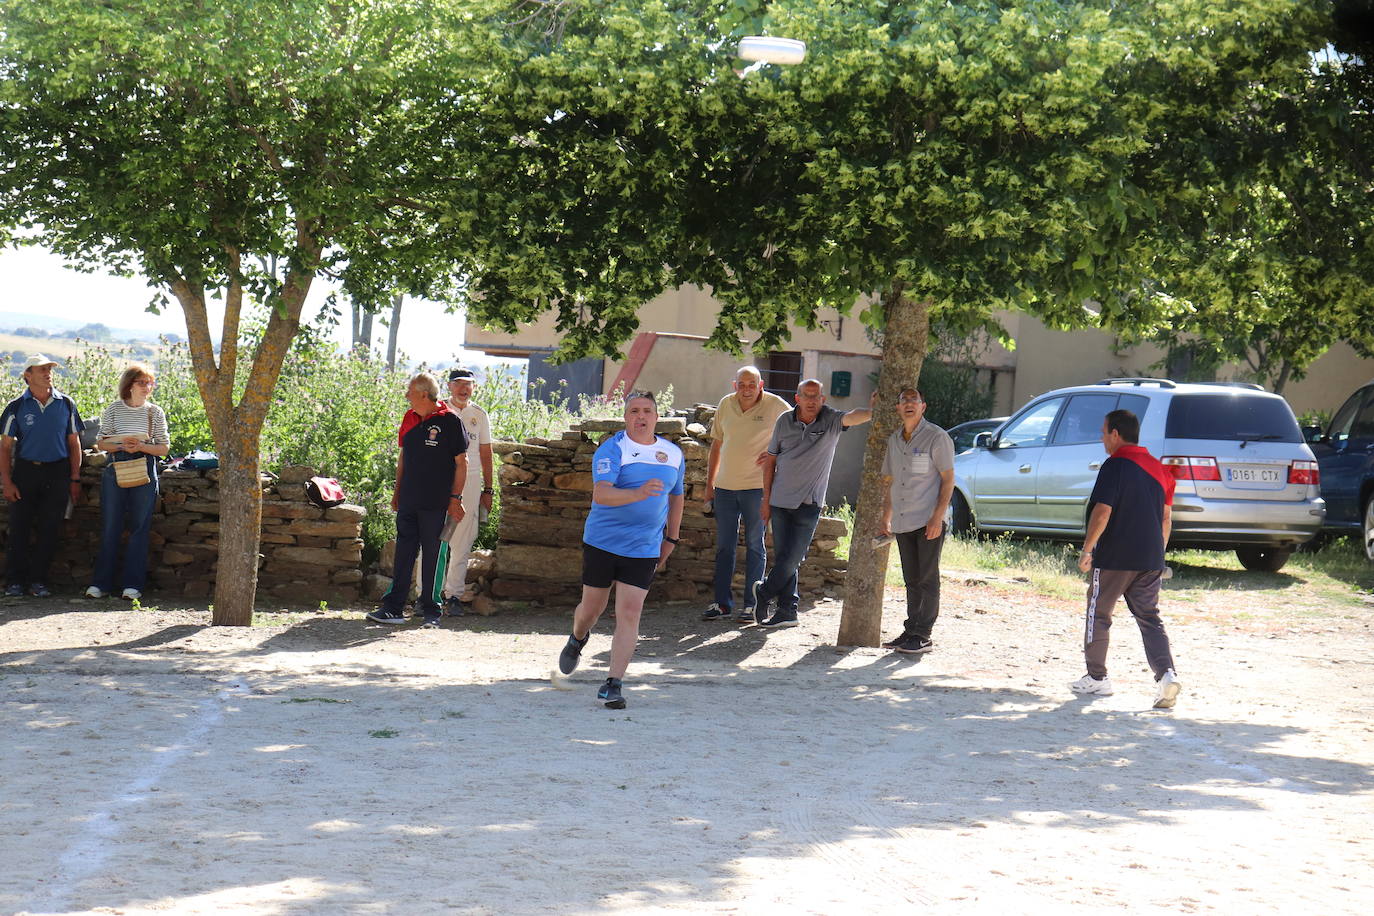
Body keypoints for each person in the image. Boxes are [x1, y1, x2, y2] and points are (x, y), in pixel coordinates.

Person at [554, 391, 684, 709]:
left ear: (656, 417)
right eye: (634, 411)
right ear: (626, 417)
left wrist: (672, 539)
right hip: (603, 543)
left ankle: (614, 683)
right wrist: (639, 493)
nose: (641, 416)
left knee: (629, 613)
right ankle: (578, 637)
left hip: (643, 547)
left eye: (648, 411)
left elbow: (676, 497)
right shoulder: (613, 449)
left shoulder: (673, 454)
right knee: (591, 611)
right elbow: (602, 495)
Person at [1072, 408, 1182, 709]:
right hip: (1150, 559)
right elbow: (1166, 518)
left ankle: (1096, 678)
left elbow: (1102, 511)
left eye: (1104, 431)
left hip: (1115, 557)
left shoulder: (1115, 465)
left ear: (1116, 434)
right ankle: (1166, 676)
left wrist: (1087, 549)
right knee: (1149, 618)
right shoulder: (1159, 469)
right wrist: (1158, 554)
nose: (1102, 437)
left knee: (1099, 613)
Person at [750, 379, 872, 628]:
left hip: (810, 502)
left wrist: (874, 411)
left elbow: (853, 417)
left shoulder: (831, 420)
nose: (812, 401)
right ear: (798, 398)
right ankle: (787, 610)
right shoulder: (784, 420)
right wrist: (766, 499)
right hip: (781, 500)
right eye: (807, 396)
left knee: (793, 559)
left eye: (816, 397)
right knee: (785, 558)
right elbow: (770, 461)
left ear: (823, 400)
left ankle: (763, 592)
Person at [367, 372, 468, 627]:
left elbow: (461, 463)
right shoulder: (409, 418)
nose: (406, 397)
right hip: (409, 500)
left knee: (433, 554)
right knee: (404, 552)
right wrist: (397, 491)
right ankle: (393, 608)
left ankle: (432, 611)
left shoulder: (451, 422)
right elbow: (403, 458)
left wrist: (456, 498)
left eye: (410, 392)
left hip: (438, 502)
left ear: (424, 394)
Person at [702, 366, 791, 622]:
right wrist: (710, 487)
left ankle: (752, 605)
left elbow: (800, 430)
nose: (747, 389)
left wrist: (779, 453)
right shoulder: (725, 404)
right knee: (724, 548)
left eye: (752, 384)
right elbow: (716, 446)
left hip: (757, 489)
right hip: (725, 488)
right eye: (742, 384)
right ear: (735, 385)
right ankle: (721, 604)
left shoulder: (776, 405)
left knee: (755, 545)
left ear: (761, 384)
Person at [878, 387, 955, 655]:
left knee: (927, 577)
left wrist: (937, 517)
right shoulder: (894, 441)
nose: (909, 404)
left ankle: (924, 635)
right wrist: (885, 517)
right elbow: (889, 482)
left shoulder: (937, 437)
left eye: (914, 400)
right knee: (911, 579)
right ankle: (910, 630)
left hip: (927, 519)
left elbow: (948, 480)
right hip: (902, 520)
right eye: (904, 401)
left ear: (924, 406)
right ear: (898, 409)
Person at [0, 355, 84, 598]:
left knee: (49, 528)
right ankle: (14, 582)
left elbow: (74, 441)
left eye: (49, 368)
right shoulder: (16, 407)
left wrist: (75, 478)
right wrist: (7, 481)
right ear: (28, 375)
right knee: (19, 527)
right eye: (42, 369)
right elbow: (5, 447)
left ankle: (39, 582)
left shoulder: (66, 403)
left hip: (58, 472)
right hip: (26, 471)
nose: (48, 372)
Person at [86, 364, 170, 601]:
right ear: (129, 384)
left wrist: (141, 446)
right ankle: (101, 584)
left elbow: (163, 448)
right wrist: (123, 446)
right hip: (117, 467)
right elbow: (102, 443)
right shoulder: (114, 409)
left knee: (139, 529)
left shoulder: (155, 412)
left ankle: (132, 585)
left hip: (144, 466)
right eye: (142, 382)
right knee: (111, 526)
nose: (147, 387)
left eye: (150, 383)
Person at [439, 367, 496, 616]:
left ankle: (453, 595)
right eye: (459, 383)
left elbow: (486, 452)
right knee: (432, 537)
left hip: (471, 482)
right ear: (449, 386)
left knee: (463, 539)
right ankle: (426, 594)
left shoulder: (478, 415)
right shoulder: (438, 410)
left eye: (469, 384)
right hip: (440, 478)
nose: (464, 389)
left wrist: (489, 489)